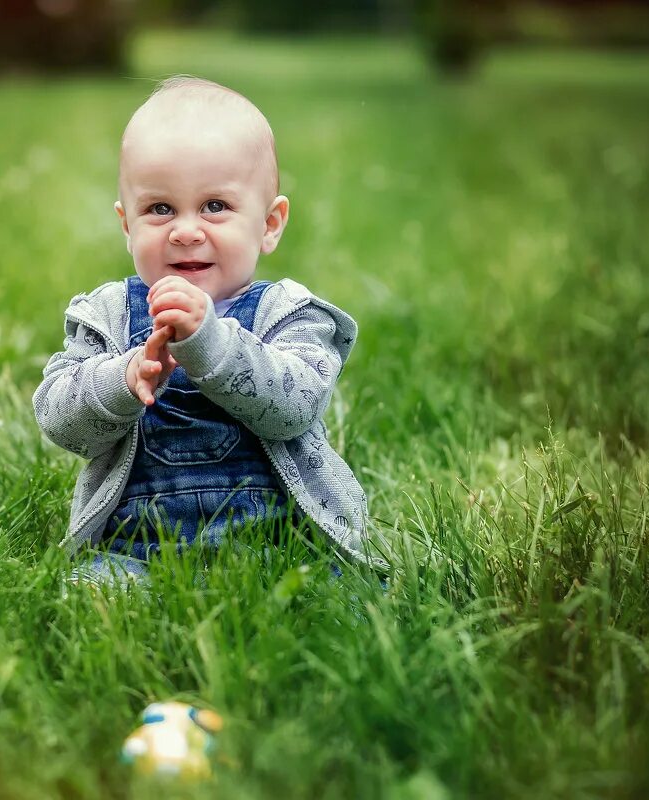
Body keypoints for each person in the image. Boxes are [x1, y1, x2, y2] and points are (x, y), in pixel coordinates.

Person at [32, 76, 386, 588]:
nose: (185, 229)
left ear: (269, 223)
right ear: (126, 224)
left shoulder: (287, 313)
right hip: (138, 549)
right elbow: (60, 420)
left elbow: (296, 406)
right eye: (159, 209)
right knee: (92, 600)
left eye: (215, 206)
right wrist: (122, 379)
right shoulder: (108, 316)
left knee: (339, 600)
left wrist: (211, 345)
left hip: (282, 545)